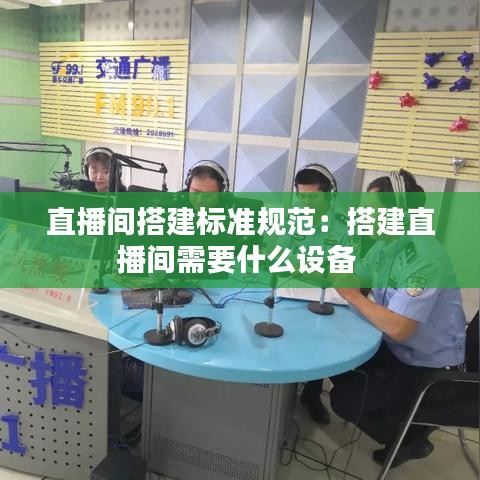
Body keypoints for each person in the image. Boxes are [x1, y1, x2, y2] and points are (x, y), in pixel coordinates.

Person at [330, 169, 466, 467]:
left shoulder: (424, 258)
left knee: (343, 399)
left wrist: (354, 296)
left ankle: (410, 439)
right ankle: (399, 421)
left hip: (428, 367)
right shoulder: (387, 243)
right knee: (332, 358)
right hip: (397, 349)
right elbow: (356, 276)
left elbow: (399, 327)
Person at [292, 163, 350, 425]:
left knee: (318, 335)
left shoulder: (344, 226)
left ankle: (311, 394)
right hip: (292, 289)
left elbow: (342, 273)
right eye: (301, 197)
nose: (305, 204)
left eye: (312, 198)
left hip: (329, 298)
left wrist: (301, 267)